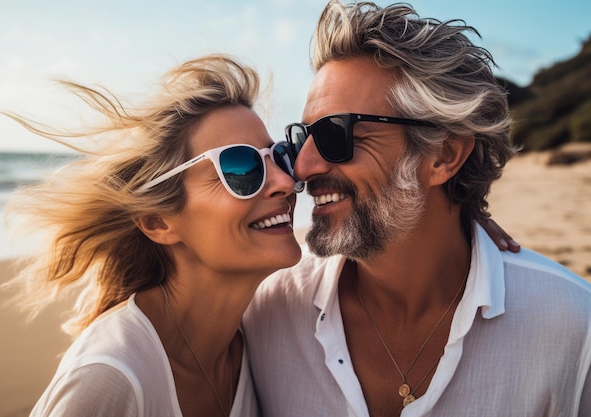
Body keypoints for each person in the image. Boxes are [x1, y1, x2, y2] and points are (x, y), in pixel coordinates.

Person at [243, 1, 591, 416]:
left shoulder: (573, 326)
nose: (303, 166)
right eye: (302, 138)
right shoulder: (266, 313)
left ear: (443, 156)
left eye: (336, 134)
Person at [3, 54, 304, 417]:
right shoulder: (108, 377)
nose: (286, 183)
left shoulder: (255, 342)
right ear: (157, 221)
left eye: (280, 156)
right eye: (241, 166)